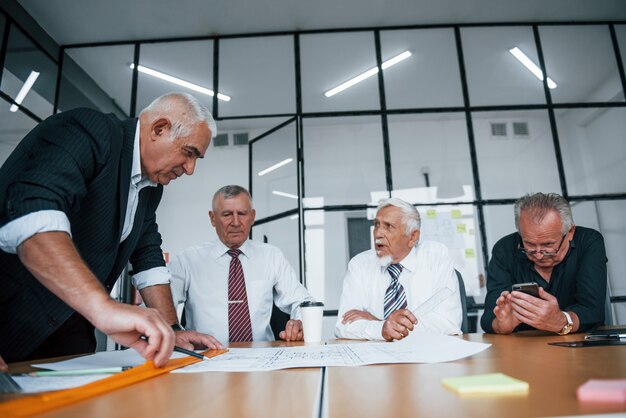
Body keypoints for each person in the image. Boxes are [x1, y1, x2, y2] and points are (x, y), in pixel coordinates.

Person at [0, 92, 222, 367]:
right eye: (189, 153)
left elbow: (148, 257)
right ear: (159, 129)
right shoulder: (90, 130)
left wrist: (172, 330)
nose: (190, 169)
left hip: (69, 338)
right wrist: (104, 309)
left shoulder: (151, 189)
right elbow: (33, 214)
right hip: (9, 320)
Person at [169, 185, 315, 343]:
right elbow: (159, 306)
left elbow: (302, 301)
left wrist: (300, 322)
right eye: (227, 214)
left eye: (242, 214)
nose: (236, 222)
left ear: (252, 216)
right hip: (206, 357)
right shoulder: (187, 260)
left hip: (262, 357)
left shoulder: (271, 256)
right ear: (212, 218)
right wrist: (174, 331)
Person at [335, 198, 462, 341]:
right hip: (378, 359)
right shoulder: (360, 264)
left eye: (388, 226)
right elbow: (343, 325)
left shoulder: (435, 257)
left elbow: (448, 324)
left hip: (427, 359)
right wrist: (382, 329)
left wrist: (379, 323)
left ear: (412, 237)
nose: (378, 234)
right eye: (377, 225)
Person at [481, 192, 608, 335]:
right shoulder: (504, 249)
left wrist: (562, 321)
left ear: (570, 232)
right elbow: (489, 316)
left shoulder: (588, 242)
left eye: (548, 245)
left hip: (581, 342)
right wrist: (501, 324)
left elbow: (592, 311)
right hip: (523, 346)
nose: (539, 255)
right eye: (529, 244)